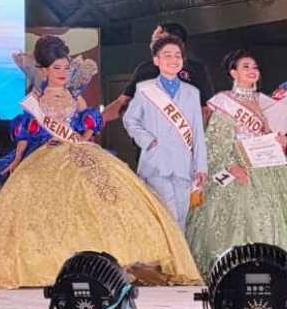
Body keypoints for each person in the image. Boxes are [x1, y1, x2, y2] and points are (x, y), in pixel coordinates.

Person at [0, 36, 202, 288]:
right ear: (45, 70)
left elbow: (90, 119)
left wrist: (83, 138)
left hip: (78, 149)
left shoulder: (74, 95)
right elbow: (25, 132)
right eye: (56, 68)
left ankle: (115, 256)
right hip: (45, 153)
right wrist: (17, 157)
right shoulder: (35, 98)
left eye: (66, 67)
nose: (62, 73)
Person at [186, 50, 287, 278]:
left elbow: (266, 135)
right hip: (237, 168)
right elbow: (215, 142)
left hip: (265, 168)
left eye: (255, 67)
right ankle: (234, 272)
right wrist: (231, 165)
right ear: (233, 73)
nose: (252, 71)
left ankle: (273, 270)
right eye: (245, 67)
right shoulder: (225, 102)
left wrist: (279, 140)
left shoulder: (261, 101)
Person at [123, 35, 207, 230]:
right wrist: (148, 140)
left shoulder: (192, 92)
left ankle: (176, 251)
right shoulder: (145, 90)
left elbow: (197, 131)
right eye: (167, 55)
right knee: (169, 218)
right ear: (156, 60)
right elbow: (129, 120)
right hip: (156, 163)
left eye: (177, 55)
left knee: (181, 219)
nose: (173, 59)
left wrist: (201, 166)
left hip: (184, 165)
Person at [103, 23, 214, 123]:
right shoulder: (144, 70)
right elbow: (122, 103)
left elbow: (208, 109)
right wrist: (97, 120)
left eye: (158, 40)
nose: (153, 44)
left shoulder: (196, 70)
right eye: (153, 40)